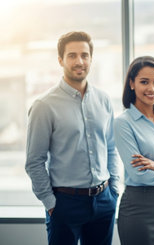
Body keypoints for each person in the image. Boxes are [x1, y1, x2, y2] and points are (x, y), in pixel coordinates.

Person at [25, 31, 120, 245]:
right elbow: (34, 162)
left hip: (104, 200)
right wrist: (51, 204)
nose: (80, 61)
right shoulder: (44, 106)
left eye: (85, 55)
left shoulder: (103, 100)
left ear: (91, 59)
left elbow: (111, 148)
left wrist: (114, 190)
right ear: (60, 60)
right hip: (65, 203)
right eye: (72, 55)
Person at [114, 56, 154, 245]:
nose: (152, 88)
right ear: (131, 84)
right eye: (144, 82)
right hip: (139, 210)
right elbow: (139, 175)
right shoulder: (123, 123)